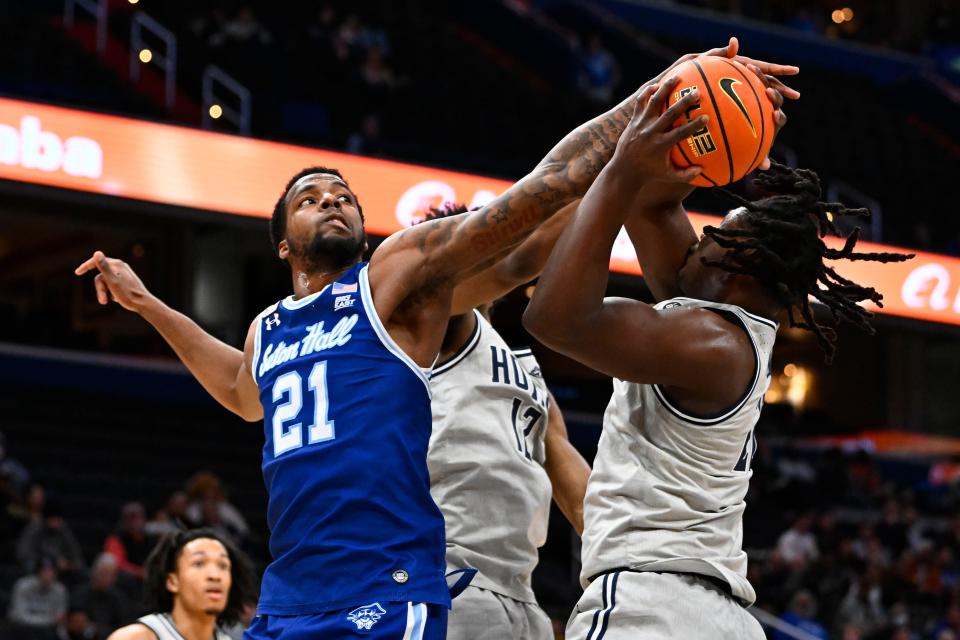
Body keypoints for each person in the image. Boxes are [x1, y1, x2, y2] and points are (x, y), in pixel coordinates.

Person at [77, 36, 796, 640]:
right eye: (310, 197)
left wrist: (647, 108)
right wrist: (148, 305)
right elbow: (240, 391)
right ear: (282, 245)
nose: (332, 199)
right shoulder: (271, 328)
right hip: (293, 591)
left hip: (393, 586)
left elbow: (532, 210)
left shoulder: (395, 284)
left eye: (344, 195)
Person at [524, 68, 911, 638]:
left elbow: (554, 318)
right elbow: (652, 208)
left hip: (651, 605)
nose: (699, 238)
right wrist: (709, 124)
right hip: (699, 611)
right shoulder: (719, 325)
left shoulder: (711, 344)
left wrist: (619, 171)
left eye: (716, 234)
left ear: (740, 263)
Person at [420, 204, 590, 639]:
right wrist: (612, 168)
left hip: (518, 585)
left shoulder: (527, 370)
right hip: (447, 572)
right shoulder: (440, 326)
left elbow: (572, 484)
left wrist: (625, 554)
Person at [107, 529, 256, 640]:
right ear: (172, 581)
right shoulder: (135, 637)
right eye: (199, 563)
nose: (215, 575)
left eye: (223, 565)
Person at [71, 553, 132, 636]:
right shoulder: (80, 593)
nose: (106, 578)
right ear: (95, 571)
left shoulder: (118, 598)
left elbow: (124, 626)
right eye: (103, 573)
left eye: (110, 574)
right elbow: (76, 624)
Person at [7, 557, 68, 631]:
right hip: (22, 629)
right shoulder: (23, 586)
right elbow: (19, 616)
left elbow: (59, 617)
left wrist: (49, 621)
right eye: (45, 571)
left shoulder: (60, 590)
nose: (49, 574)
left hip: (47, 630)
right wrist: (48, 620)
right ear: (37, 573)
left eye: (52, 571)